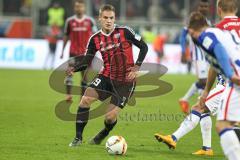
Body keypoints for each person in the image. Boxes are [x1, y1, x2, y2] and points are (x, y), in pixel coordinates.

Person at [155, 0, 240, 156]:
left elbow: (217, 57)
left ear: (218, 9)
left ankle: (173, 137)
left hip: (231, 83)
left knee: (215, 119)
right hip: (232, 81)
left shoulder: (215, 31)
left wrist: (227, 76)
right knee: (217, 116)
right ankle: (206, 148)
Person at [68, 4, 148, 147]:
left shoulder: (125, 31)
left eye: (111, 18)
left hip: (125, 81)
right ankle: (78, 138)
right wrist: (74, 69)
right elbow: (87, 61)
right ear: (100, 19)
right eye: (105, 18)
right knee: (85, 100)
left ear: (114, 18)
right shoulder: (95, 39)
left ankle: (104, 132)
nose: (109, 21)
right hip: (105, 76)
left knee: (110, 117)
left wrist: (137, 66)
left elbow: (144, 46)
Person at [60, 0, 97, 101]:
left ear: (84, 8)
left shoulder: (90, 21)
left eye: (80, 7)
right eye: (77, 7)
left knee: (85, 76)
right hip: (73, 53)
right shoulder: (69, 21)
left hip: (86, 54)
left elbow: (96, 37)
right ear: (74, 8)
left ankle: (82, 97)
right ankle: (68, 95)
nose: (78, 9)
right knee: (70, 73)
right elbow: (66, 36)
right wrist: (62, 51)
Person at [179, 0, 210, 113]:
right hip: (198, 55)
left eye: (205, 6)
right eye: (201, 6)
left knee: (205, 82)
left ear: (208, 8)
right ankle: (198, 104)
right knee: (204, 80)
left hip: (207, 57)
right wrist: (183, 51)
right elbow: (182, 36)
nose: (203, 8)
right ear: (198, 7)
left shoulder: (208, 22)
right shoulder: (193, 20)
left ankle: (187, 100)